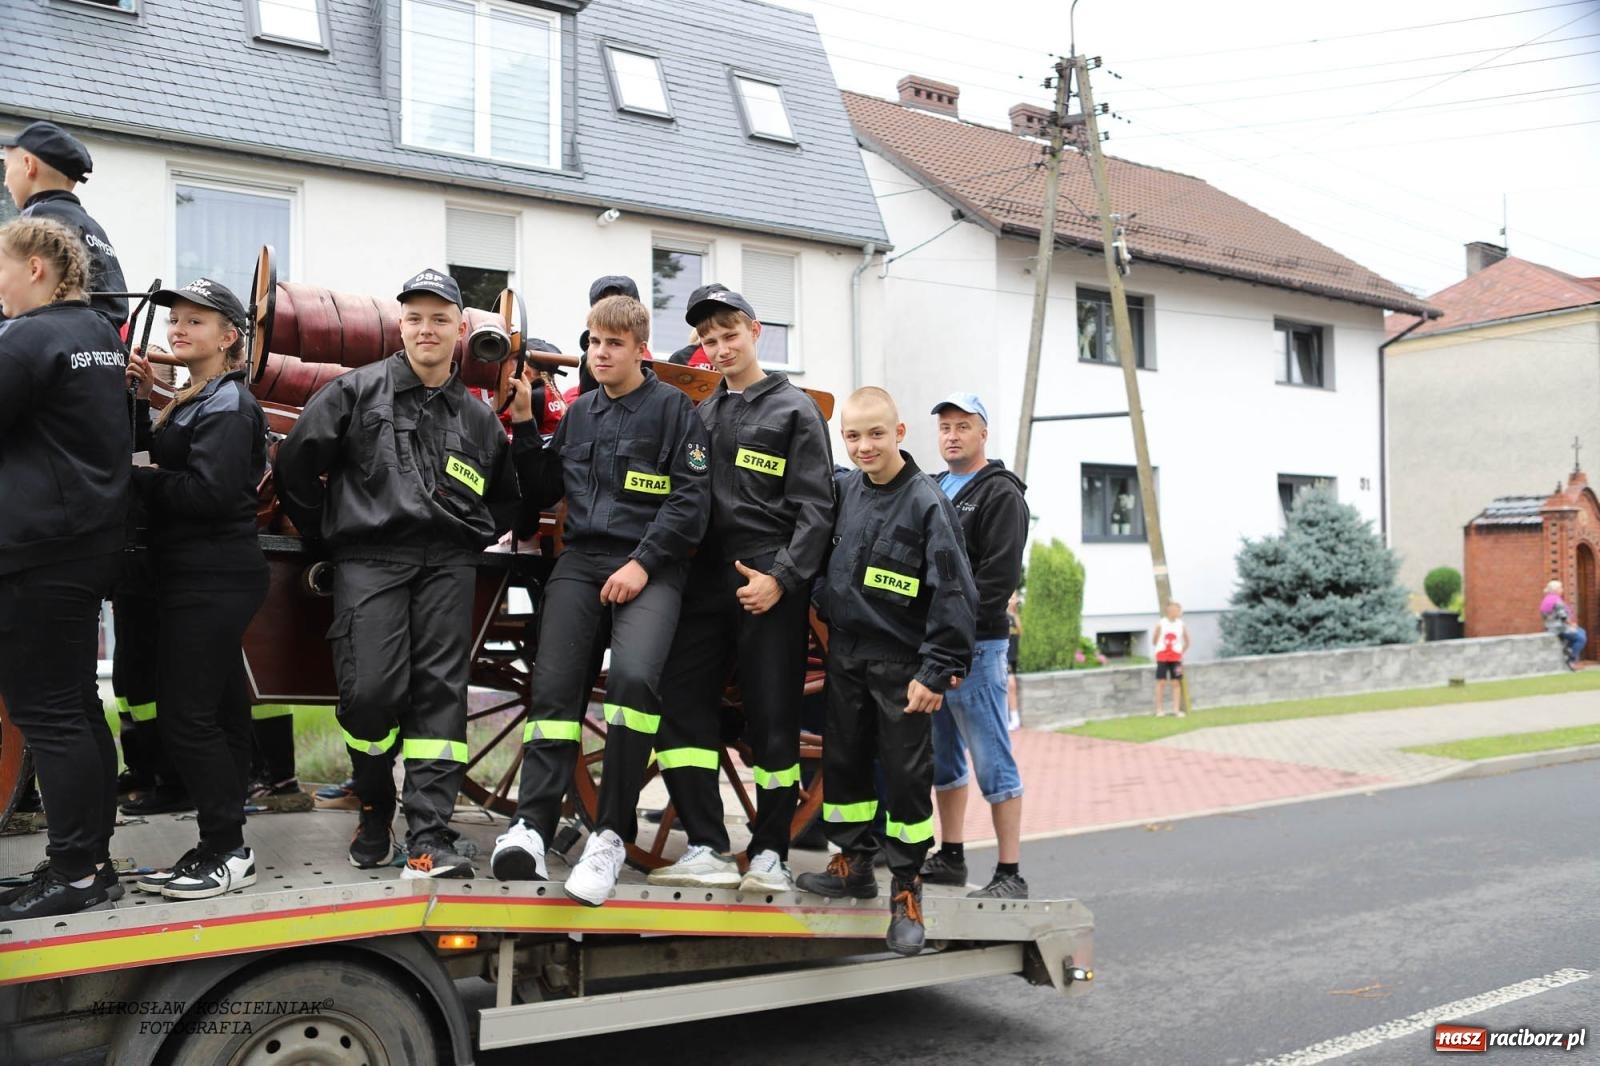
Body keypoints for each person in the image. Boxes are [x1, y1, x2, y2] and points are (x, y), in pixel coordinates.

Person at [274, 269, 522, 880]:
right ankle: (376, 803)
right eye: (415, 318)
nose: (426, 329)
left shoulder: (479, 420)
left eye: (440, 319)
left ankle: (430, 835)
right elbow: (298, 467)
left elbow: (508, 500)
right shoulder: (355, 393)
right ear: (400, 325)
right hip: (371, 561)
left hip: (448, 566)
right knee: (369, 693)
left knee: (440, 699)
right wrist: (324, 537)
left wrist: (468, 534)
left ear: (462, 329)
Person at [492, 295, 710, 906]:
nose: (599, 353)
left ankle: (610, 835)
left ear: (641, 350)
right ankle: (530, 828)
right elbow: (542, 490)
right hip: (581, 563)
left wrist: (642, 565)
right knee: (554, 688)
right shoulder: (581, 414)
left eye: (612, 343)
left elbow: (690, 503)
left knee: (635, 684)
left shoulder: (674, 411)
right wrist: (527, 424)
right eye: (592, 342)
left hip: (652, 564)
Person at [645, 287, 835, 893]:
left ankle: (773, 852)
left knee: (773, 717)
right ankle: (704, 842)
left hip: (768, 576)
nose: (720, 348)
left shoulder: (795, 411)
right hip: (705, 577)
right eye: (709, 341)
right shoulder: (702, 413)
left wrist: (782, 581)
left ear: (755, 332)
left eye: (730, 335)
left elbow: (817, 510)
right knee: (676, 701)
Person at [795, 388, 976, 957]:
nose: (864, 446)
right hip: (846, 656)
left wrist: (936, 669)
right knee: (844, 765)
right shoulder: (844, 490)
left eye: (876, 434)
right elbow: (817, 558)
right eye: (853, 436)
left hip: (904, 669)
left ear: (899, 433)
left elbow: (954, 592)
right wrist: (827, 596)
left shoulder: (927, 502)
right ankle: (853, 865)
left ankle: (907, 892)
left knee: (904, 781)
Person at [120, 278, 270, 899]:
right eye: (175, 320)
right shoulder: (195, 396)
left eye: (196, 322)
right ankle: (224, 843)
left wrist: (140, 480)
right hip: (197, 573)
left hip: (212, 575)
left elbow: (212, 494)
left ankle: (226, 849)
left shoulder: (230, 407)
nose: (178, 329)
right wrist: (135, 403)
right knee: (223, 713)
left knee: (187, 718)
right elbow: (168, 457)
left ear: (229, 337)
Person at [0, 217, 130, 919]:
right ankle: (88, 862)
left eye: (0, 269)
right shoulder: (95, 337)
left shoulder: (30, 337)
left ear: (37, 270)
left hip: (35, 550)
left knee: (49, 713)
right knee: (76, 707)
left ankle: (76, 871)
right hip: (81, 546)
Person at [918, 393, 1030, 900]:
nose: (952, 435)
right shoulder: (935, 487)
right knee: (945, 758)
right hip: (935, 648)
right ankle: (952, 855)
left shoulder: (1000, 494)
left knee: (992, 759)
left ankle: (1010, 873)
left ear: (983, 433)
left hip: (977, 649)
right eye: (945, 427)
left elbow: (997, 580)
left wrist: (956, 639)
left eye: (963, 426)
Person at [1, 121, 127, 327]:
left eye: (6, 168)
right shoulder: (92, 226)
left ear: (28, 165)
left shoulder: (39, 222)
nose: (5, 182)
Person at [1151, 600, 1191, 715]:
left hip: (1176, 658)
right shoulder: (1161, 623)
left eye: (1179, 610)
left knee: (1176, 682)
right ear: (1170, 610)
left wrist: (1180, 652)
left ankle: (1176, 709)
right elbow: (1154, 639)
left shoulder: (1181, 624)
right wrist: (1159, 649)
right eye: (1177, 610)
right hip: (1162, 657)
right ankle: (1159, 710)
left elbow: (1187, 641)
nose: (1179, 612)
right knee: (1161, 682)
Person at [1539, 580, 1586, 669]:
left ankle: (1569, 649)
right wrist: (1571, 624)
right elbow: (1563, 616)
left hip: (1549, 627)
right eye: (1561, 588)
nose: (1562, 590)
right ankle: (1571, 659)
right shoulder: (1556, 600)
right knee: (1581, 638)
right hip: (1559, 628)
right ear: (1556, 590)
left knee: (1581, 631)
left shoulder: (1546, 599)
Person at [1006, 590, 1022, 731]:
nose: (1013, 600)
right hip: (1005, 658)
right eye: (1010, 597)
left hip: (1013, 657)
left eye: (1014, 597)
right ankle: (1012, 718)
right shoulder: (1003, 617)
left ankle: (1015, 718)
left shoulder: (1016, 618)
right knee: (1010, 686)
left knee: (1012, 687)